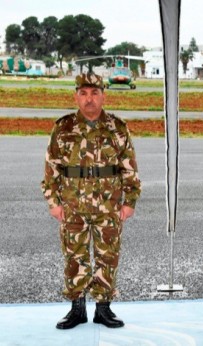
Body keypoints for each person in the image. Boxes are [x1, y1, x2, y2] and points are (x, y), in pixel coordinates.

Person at [41, 73, 141, 330]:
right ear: (76, 96)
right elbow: (51, 167)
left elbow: (129, 167)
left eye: (94, 93)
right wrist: (53, 201)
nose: (89, 99)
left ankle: (103, 309)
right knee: (75, 256)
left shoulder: (117, 127)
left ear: (103, 96)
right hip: (73, 205)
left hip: (109, 205)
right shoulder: (62, 127)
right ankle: (77, 309)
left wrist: (129, 201)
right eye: (84, 93)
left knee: (108, 255)